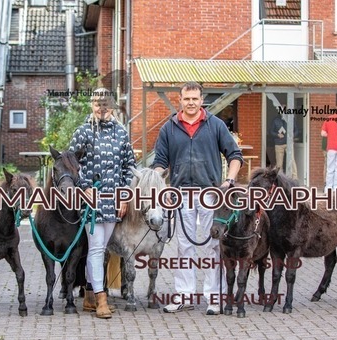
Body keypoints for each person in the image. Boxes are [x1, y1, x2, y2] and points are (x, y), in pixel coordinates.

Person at [151, 81, 242, 315]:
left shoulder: (216, 125)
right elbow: (160, 162)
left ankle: (214, 298)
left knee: (214, 245)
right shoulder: (169, 128)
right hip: (182, 195)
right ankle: (184, 296)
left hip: (211, 195)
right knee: (184, 247)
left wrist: (229, 181)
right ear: (180, 100)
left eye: (195, 99)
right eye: (187, 99)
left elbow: (234, 155)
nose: (191, 103)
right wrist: (156, 180)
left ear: (202, 100)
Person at [68, 88, 135, 319]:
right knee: (96, 248)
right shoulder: (82, 132)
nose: (101, 108)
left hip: (113, 201)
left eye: (105, 104)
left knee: (101, 248)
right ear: (92, 105)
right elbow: (70, 164)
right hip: (91, 201)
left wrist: (124, 194)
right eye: (97, 104)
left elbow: (129, 166)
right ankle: (101, 298)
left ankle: (89, 296)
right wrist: (83, 186)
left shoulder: (121, 133)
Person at [321, 104, 337, 189]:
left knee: (330, 168)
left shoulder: (329, 119)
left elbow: (322, 133)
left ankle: (328, 188)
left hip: (331, 147)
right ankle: (336, 188)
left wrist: (331, 135)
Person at [271, 108, 298, 180]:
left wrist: (292, 135)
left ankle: (295, 178)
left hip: (289, 143)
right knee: (279, 163)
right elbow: (271, 131)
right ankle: (280, 179)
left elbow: (297, 131)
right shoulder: (275, 120)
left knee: (292, 161)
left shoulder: (291, 119)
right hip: (279, 144)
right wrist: (277, 135)